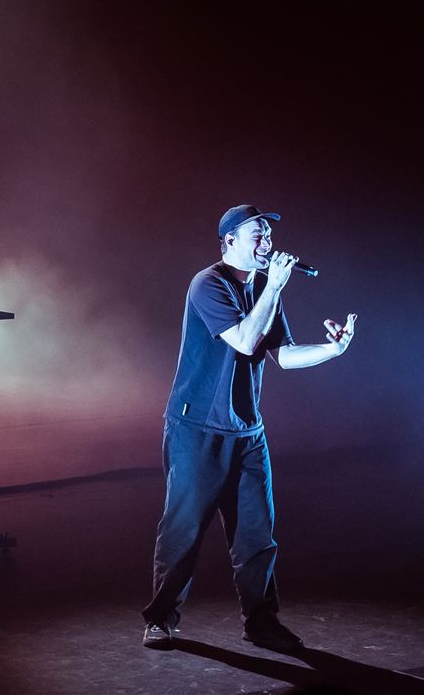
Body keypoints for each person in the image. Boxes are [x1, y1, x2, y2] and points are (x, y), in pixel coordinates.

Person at [142, 204, 357, 652]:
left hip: (247, 432)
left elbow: (284, 356)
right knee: (184, 531)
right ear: (229, 241)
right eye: (257, 235)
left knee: (257, 536)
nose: (267, 243)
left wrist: (331, 351)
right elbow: (243, 340)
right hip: (197, 428)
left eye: (269, 236)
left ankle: (261, 623)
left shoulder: (263, 287)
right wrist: (274, 287)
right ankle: (160, 618)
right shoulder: (208, 284)